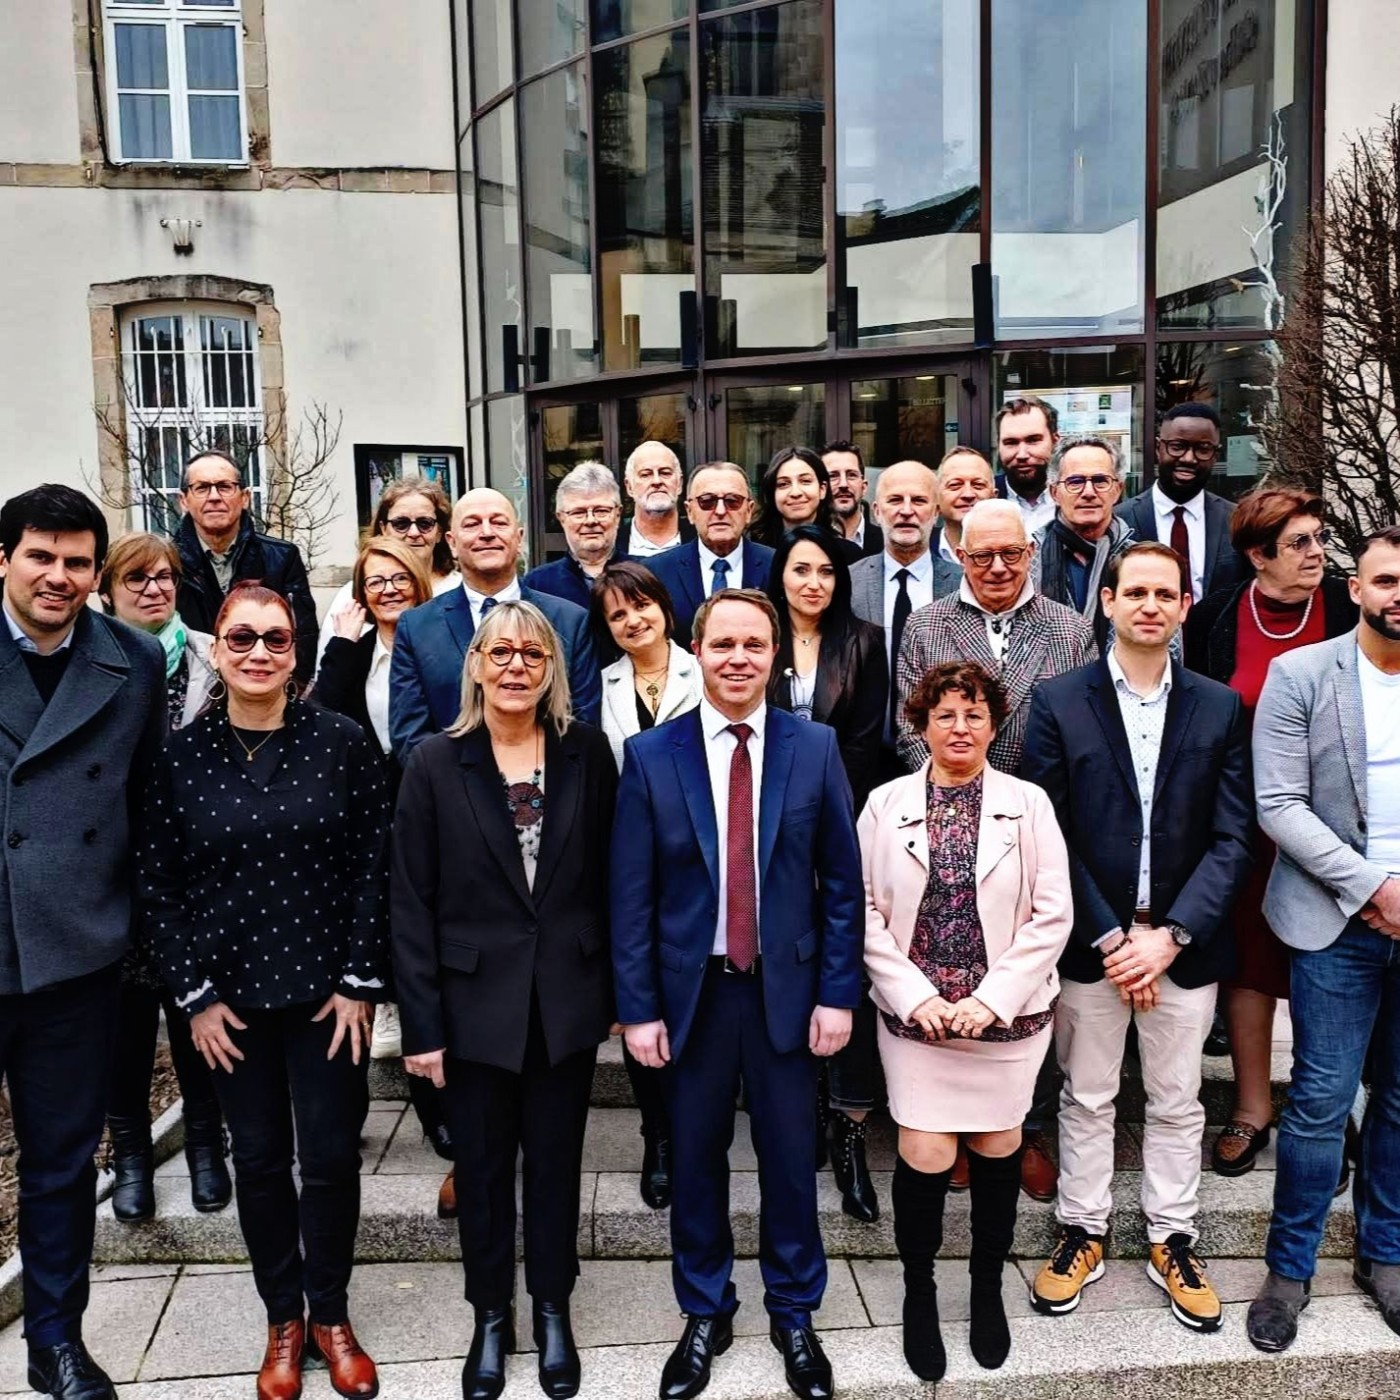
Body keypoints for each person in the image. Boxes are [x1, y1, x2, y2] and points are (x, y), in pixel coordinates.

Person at [138, 581, 389, 1400]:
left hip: (326, 998)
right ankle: (283, 1317)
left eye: (275, 640)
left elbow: (373, 868)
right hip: (230, 1005)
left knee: (326, 1160)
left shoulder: (343, 742)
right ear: (216, 649)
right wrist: (195, 996)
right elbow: (158, 884)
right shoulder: (177, 758)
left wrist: (360, 980)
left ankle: (331, 1313)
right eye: (241, 638)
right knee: (258, 1161)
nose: (257, 653)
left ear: (297, 651)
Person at [612, 588, 863, 1400]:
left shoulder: (814, 747)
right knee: (695, 1161)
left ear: (775, 654)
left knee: (792, 1162)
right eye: (723, 645)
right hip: (694, 999)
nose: (739, 659)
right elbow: (632, 897)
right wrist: (640, 1007)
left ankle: (794, 1312)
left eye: (755, 644)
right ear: (698, 650)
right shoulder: (655, 755)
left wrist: (837, 993)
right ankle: (705, 1309)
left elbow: (841, 886)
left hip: (786, 994)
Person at [1021, 543, 1252, 1333]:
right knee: (1085, 1094)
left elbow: (1233, 837)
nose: (1150, 605)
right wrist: (1116, 937)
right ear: (1109, 602)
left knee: (1179, 1099)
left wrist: (1172, 936)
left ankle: (1172, 1237)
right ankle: (1081, 1230)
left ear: (1185, 606)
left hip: (1183, 948)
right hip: (1092, 941)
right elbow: (1047, 830)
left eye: (1166, 593)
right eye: (1135, 592)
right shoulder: (1058, 701)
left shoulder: (1219, 706)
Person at [392, 601, 617, 1400]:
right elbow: (410, 905)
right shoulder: (431, 761)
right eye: (502, 652)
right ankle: (492, 1315)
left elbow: (610, 879)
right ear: (477, 666)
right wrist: (421, 1027)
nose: (516, 665)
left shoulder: (587, 754)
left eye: (533, 653)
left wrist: (616, 991)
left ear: (552, 667)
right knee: (483, 1172)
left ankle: (553, 1306)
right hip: (469, 1006)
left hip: (565, 1001)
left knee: (555, 1167)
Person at [861, 662, 1072, 1380]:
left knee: (996, 1143)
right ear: (921, 723)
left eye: (974, 714)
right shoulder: (885, 805)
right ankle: (920, 1290)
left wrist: (993, 999)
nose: (960, 727)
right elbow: (857, 909)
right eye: (945, 714)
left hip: (1004, 1019)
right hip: (916, 1016)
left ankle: (986, 1286)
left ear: (994, 724)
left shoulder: (1029, 803)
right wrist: (914, 995)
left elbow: (1052, 915)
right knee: (923, 1151)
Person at [0, 485, 166, 1400]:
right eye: (40, 557)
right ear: (4, 560)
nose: (58, 577)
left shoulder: (132, 661)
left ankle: (55, 1343)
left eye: (75, 562)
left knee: (62, 1162)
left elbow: (145, 805)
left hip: (76, 954)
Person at [895, 497, 1096, 1202]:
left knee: (1026, 976)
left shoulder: (1070, 629)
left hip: (1040, 820)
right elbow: (905, 723)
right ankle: (946, 1126)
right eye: (981, 556)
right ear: (959, 555)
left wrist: (1019, 803)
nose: (999, 567)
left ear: (1031, 552)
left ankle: (1024, 1124)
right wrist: (958, 774)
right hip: (947, 812)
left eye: (1012, 553)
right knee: (951, 959)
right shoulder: (927, 625)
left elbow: (1085, 728)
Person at [1246, 526, 1400, 1353]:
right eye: (1385, 580)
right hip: (1335, 922)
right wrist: (1375, 888)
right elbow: (1279, 803)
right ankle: (1290, 1267)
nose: (1397, 593)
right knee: (1316, 1104)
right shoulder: (1301, 673)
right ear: (1356, 589)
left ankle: (1386, 1256)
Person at [1184, 489, 1355, 1178]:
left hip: (1338, 826)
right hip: (1245, 824)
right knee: (1249, 967)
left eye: (1319, 539)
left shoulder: (1347, 607)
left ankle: (1326, 1111)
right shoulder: (1216, 616)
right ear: (1258, 555)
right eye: (1300, 544)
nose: (1317, 554)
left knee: (1327, 967)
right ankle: (1252, 1108)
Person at [312, 537, 460, 1215]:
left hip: (425, 824)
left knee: (419, 973)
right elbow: (322, 720)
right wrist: (341, 650)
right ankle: (345, 1123)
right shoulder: (355, 651)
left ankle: (442, 1118)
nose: (388, 589)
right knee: (364, 972)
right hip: (356, 831)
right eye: (375, 581)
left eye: (399, 577)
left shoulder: (439, 644)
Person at [97, 531, 229, 1224]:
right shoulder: (91, 661)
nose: (154, 588)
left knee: (194, 1012)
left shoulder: (214, 655)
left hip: (193, 869)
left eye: (166, 577)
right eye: (137, 579)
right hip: (112, 870)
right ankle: (130, 1156)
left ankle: (207, 1145)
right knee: (123, 1022)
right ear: (108, 589)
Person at [766, 526, 888, 1223]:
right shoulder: (761, 635)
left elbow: (868, 742)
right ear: (781, 574)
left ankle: (848, 1133)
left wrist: (825, 811)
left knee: (848, 976)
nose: (813, 581)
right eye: (800, 569)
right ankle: (804, 1117)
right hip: (765, 838)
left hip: (843, 824)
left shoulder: (864, 641)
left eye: (826, 571)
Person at [592, 560, 703, 1214]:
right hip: (631, 862)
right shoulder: (601, 684)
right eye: (618, 615)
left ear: (663, 606)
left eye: (642, 607)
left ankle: (691, 1131)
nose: (634, 620)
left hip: (700, 863)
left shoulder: (704, 668)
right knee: (641, 1000)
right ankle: (656, 1135)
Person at [390, 488, 601, 759]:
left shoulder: (570, 621)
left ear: (519, 538)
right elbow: (409, 735)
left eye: (499, 522)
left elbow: (582, 724)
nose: (487, 532)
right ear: (452, 543)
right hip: (450, 794)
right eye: (472, 524)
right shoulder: (417, 627)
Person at [848, 461, 962, 779]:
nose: (907, 511)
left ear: (936, 511)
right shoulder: (849, 584)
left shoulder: (963, 585)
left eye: (919, 501)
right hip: (865, 764)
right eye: (895, 500)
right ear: (876, 512)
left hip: (942, 761)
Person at [173, 450, 319, 683]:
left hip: (266, 693)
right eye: (201, 488)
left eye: (224, 486)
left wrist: (286, 699)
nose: (214, 497)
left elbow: (303, 637)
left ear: (244, 497)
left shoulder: (282, 558)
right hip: (191, 698)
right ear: (184, 501)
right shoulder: (168, 564)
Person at [315, 475, 458, 669]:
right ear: (383, 528)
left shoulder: (459, 590)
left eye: (425, 523)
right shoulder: (352, 596)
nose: (414, 533)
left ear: (440, 531)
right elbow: (326, 671)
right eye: (401, 524)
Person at [1116, 403, 1248, 603]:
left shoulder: (1236, 520)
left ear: (1216, 456)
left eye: (1202, 449)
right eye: (1177, 447)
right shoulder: (1120, 520)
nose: (1188, 459)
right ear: (1158, 448)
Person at [646, 462, 774, 643]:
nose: (720, 511)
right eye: (707, 501)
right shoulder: (655, 573)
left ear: (749, 511)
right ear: (690, 511)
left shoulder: (777, 565)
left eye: (732, 501)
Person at [1031, 434, 1134, 650]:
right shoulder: (1027, 559)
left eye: (1100, 481)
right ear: (1054, 493)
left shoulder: (1140, 563)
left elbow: (1165, 644)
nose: (1088, 492)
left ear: (1118, 490)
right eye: (1075, 482)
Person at [524, 461, 628, 611]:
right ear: (561, 518)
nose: (591, 520)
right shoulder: (537, 584)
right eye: (578, 512)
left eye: (601, 510)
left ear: (617, 515)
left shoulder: (644, 573)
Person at [750, 447, 860, 562]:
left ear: (822, 489)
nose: (795, 492)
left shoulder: (848, 555)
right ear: (772, 494)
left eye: (805, 481)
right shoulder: (754, 555)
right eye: (783, 484)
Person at [994, 396, 1058, 537]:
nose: (1022, 454)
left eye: (1033, 440)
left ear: (1055, 441)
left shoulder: (1078, 496)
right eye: (1011, 442)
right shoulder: (984, 498)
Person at [623, 440, 694, 558]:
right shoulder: (611, 545)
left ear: (680, 484)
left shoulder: (701, 541)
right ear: (629, 487)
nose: (656, 481)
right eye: (646, 474)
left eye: (665, 473)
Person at [931, 448, 997, 566]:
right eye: (955, 485)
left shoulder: (1012, 554)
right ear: (937, 498)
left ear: (994, 497)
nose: (968, 494)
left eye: (978, 485)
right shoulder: (919, 553)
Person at [821, 440, 882, 558]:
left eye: (851, 475)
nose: (843, 484)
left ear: (863, 487)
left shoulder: (887, 542)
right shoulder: (810, 543)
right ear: (821, 488)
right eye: (833, 476)